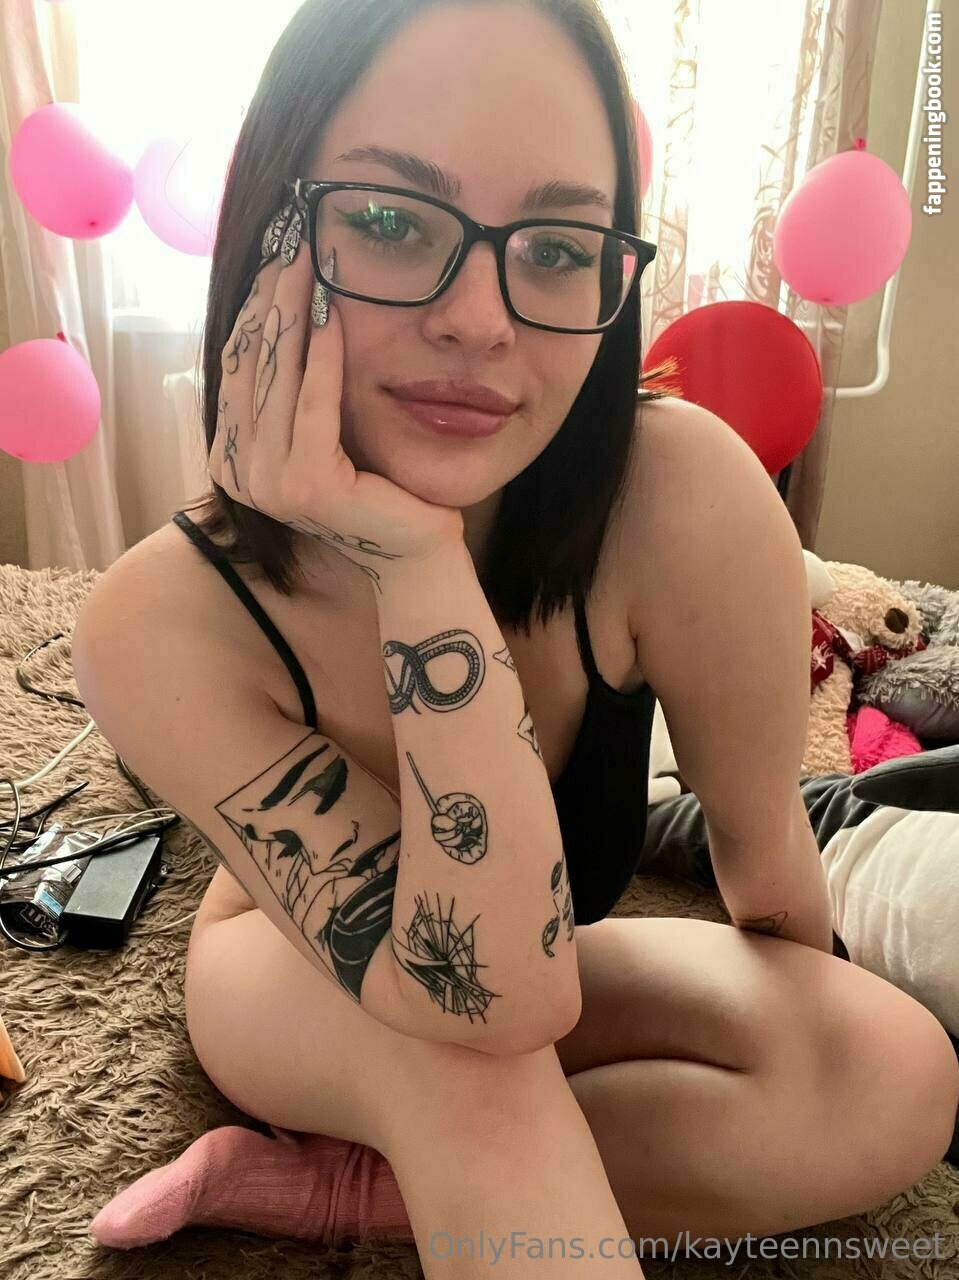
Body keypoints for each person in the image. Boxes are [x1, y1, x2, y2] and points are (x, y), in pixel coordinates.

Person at [75, 1, 959, 1274]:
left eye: (552, 248)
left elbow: (764, 864)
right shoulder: (159, 618)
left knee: (888, 1066)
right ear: (274, 236)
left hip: (533, 962)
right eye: (391, 221)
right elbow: (490, 996)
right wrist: (414, 564)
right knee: (470, 1055)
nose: (481, 321)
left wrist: (791, 1052)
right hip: (293, 969)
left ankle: (349, 1194)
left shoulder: (683, 498)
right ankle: (414, 1148)